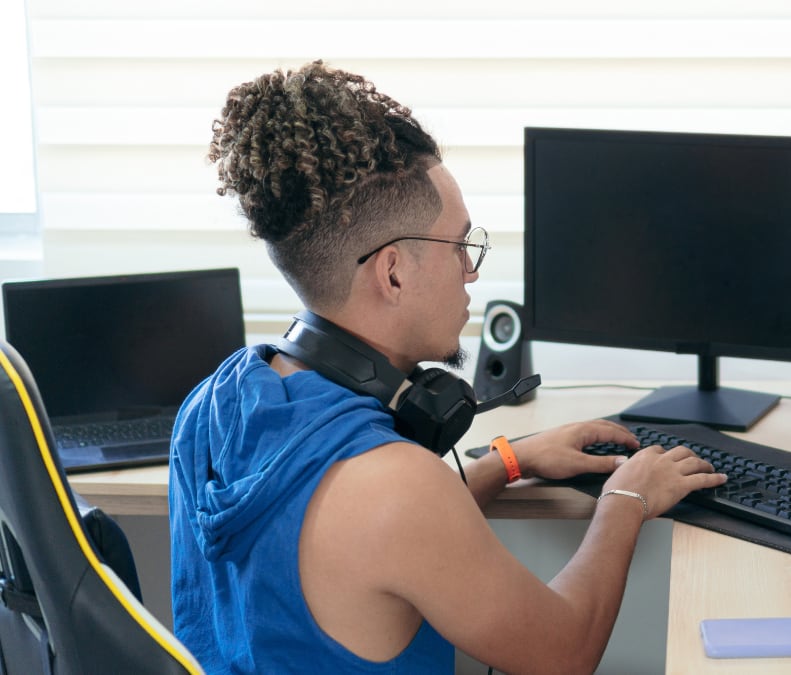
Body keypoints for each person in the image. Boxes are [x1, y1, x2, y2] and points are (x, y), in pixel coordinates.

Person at [169, 60, 726, 674]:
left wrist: (507, 462)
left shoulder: (213, 403)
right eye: (460, 244)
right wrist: (628, 497)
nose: (472, 271)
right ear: (394, 273)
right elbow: (563, 652)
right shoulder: (392, 485)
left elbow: (369, 552)